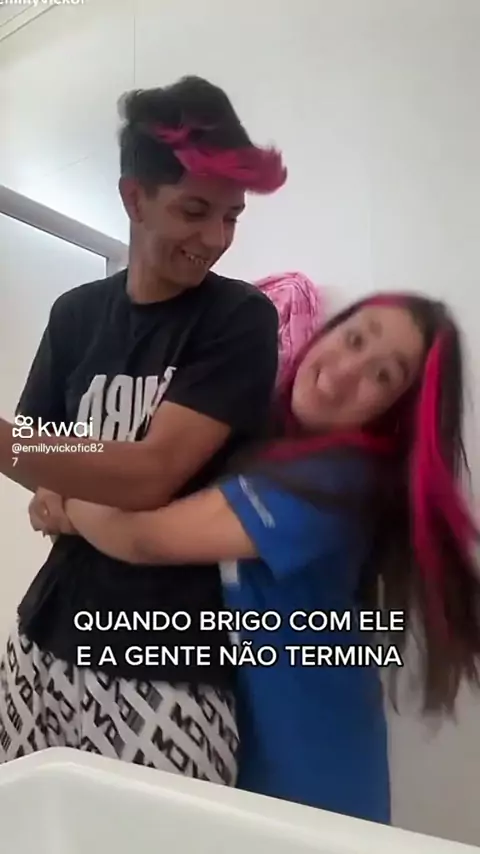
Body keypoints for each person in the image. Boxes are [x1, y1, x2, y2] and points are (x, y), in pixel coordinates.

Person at [51, 293, 480, 824]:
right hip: (266, 753)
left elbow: (144, 538)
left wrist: (64, 497)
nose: (346, 370)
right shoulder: (277, 445)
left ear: (395, 413)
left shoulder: (338, 479)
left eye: (383, 376)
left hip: (313, 779)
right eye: (354, 339)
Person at [0, 76, 286, 779]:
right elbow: (42, 470)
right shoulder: (75, 314)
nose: (215, 239)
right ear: (134, 198)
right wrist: (59, 477)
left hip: (169, 660)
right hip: (44, 632)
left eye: (231, 217)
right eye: (195, 210)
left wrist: (68, 486)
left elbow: (149, 474)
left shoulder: (239, 319)